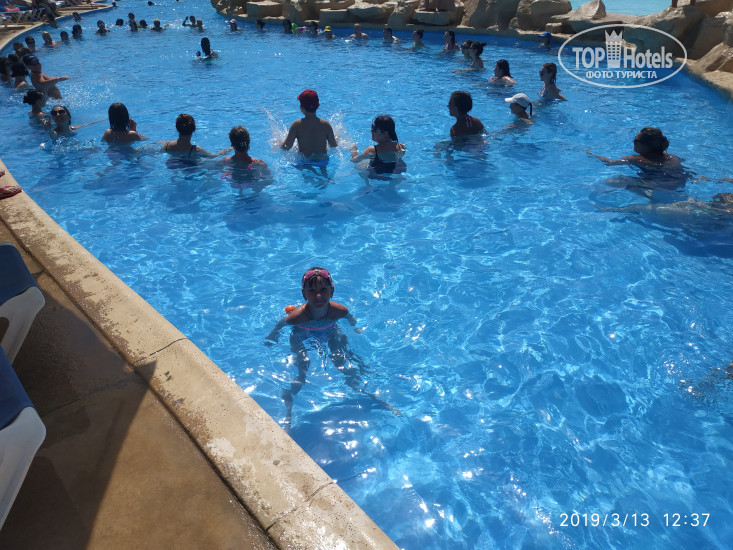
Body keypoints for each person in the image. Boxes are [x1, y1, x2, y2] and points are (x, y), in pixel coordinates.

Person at [265, 267, 364, 423]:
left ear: (331, 291)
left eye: (323, 289)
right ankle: (289, 395)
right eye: (312, 291)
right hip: (301, 335)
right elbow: (281, 324)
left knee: (340, 358)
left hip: (330, 332)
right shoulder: (296, 317)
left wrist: (355, 328)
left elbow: (350, 318)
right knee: (304, 365)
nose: (318, 295)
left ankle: (356, 383)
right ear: (304, 294)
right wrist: (273, 336)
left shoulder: (339, 311)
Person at [587, 127, 682, 170]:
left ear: (646, 146)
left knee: (612, 181)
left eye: (636, 141)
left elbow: (610, 162)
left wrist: (591, 154)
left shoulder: (635, 159)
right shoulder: (674, 157)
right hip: (678, 182)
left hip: (659, 185)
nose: (633, 141)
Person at [281, 89, 338, 158]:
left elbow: (286, 147)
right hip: (322, 161)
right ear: (318, 105)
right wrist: (337, 138)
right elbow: (333, 145)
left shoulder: (296, 125)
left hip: (304, 161)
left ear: (301, 107)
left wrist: (278, 143)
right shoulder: (326, 124)